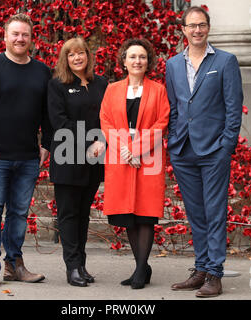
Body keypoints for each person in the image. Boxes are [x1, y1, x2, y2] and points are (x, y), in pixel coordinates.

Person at [0, 13, 52, 288]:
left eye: (25, 35)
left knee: (19, 213)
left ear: (31, 39)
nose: (20, 39)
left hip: (28, 157)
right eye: (15, 34)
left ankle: (14, 265)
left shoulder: (41, 71)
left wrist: (46, 144)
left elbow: (47, 113)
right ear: (5, 37)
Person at [166, 6, 243, 297]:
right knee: (196, 212)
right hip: (183, 149)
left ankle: (215, 274)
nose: (197, 30)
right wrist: (173, 138)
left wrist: (226, 146)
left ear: (208, 28)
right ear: (183, 30)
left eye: (202, 25)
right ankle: (200, 269)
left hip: (214, 150)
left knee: (214, 212)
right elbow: (175, 108)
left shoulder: (225, 61)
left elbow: (233, 108)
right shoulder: (173, 64)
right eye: (191, 26)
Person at [100, 38, 170, 290]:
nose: (137, 61)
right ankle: (142, 266)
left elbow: (161, 123)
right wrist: (124, 150)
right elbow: (106, 121)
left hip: (148, 158)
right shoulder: (112, 89)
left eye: (142, 57)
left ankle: (141, 269)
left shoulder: (158, 90)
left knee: (145, 213)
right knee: (128, 214)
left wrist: (137, 148)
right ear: (124, 61)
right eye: (132, 57)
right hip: (120, 157)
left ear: (148, 61)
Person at [48, 37, 108, 287]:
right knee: (69, 214)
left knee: (83, 214)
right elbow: (60, 123)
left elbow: (109, 117)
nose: (77, 58)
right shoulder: (57, 85)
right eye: (71, 54)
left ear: (88, 55)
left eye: (81, 53)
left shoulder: (101, 83)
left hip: (94, 159)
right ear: (65, 58)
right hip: (67, 157)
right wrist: (91, 141)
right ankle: (71, 267)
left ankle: (81, 265)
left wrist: (103, 140)